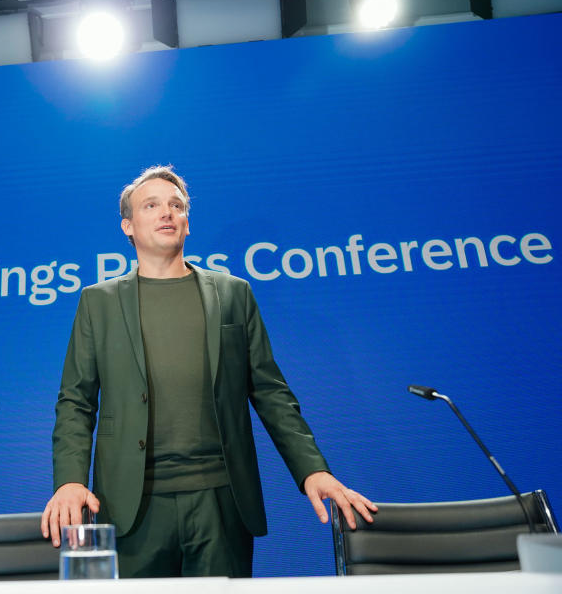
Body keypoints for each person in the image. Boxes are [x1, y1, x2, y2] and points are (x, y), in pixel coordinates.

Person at [41, 165, 377, 577]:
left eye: (176, 205)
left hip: (221, 501)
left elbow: (271, 393)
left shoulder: (233, 293)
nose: (167, 212)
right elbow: (76, 401)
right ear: (128, 226)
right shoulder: (98, 302)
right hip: (132, 507)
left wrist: (313, 470)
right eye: (152, 205)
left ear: (187, 222)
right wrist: (70, 481)